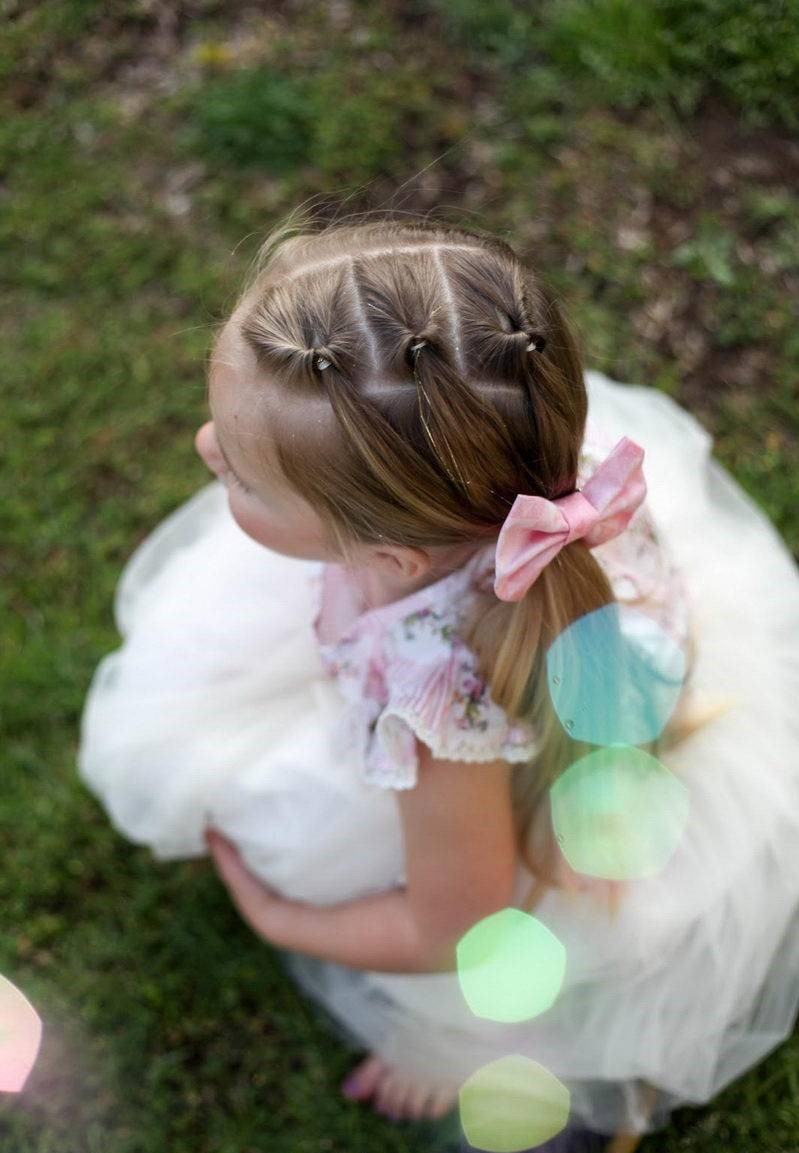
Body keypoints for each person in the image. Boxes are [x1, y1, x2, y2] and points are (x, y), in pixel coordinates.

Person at [76, 213, 799, 1152]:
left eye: (245, 477)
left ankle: (490, 1045)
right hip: (565, 647)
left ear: (392, 554)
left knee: (352, 862)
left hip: (522, 803)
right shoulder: (494, 457)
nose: (209, 446)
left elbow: (454, 923)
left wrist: (285, 916)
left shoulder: (435, 707)